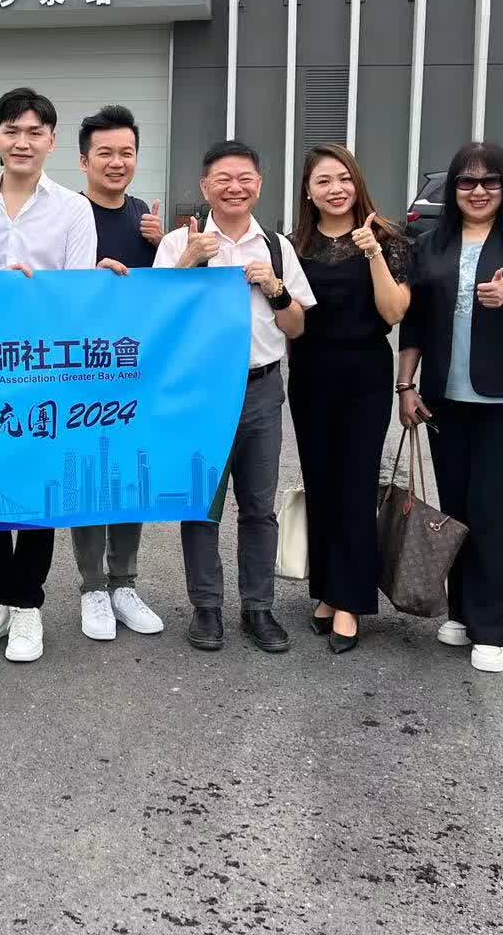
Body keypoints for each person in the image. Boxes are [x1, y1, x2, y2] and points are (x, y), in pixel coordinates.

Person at [396, 142, 503, 674]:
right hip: (445, 398)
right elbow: (416, 322)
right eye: (467, 182)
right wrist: (406, 385)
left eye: (490, 181)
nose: (479, 191)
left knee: (498, 513)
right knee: (458, 508)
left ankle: (491, 627)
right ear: (453, 190)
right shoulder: (430, 244)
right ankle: (462, 612)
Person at [156, 140, 314, 655]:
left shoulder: (277, 247)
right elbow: (158, 319)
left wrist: (275, 288)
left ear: (259, 185)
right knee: (201, 504)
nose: (234, 188)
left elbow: (297, 326)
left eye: (245, 178)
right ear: (205, 187)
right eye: (223, 179)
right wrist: (188, 263)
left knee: (259, 506)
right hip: (200, 392)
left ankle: (258, 607)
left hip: (261, 389)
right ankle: (206, 606)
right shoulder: (179, 242)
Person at [0, 86, 98, 663]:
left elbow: (79, 295)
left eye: (34, 132)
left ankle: (28, 604)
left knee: (41, 487)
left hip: (45, 370)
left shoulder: (73, 209)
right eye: (12, 131)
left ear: (52, 141)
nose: (23, 142)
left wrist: (30, 298)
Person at [287, 144, 410, 654]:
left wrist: (373, 252)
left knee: (356, 484)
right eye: (323, 181)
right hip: (310, 374)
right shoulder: (293, 245)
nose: (335, 189)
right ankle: (326, 588)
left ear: (357, 183)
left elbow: (394, 312)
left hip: (364, 374)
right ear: (308, 192)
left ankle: (350, 601)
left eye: (343, 178)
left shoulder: (389, 239)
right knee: (320, 482)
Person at [70, 104, 167, 641]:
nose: (116, 162)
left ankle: (124, 583)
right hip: (80, 372)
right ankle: (92, 588)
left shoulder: (146, 219)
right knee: (88, 476)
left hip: (135, 371)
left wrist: (166, 247)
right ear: (84, 160)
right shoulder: (69, 215)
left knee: (129, 474)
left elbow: (168, 298)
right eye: (104, 153)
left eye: (126, 153)